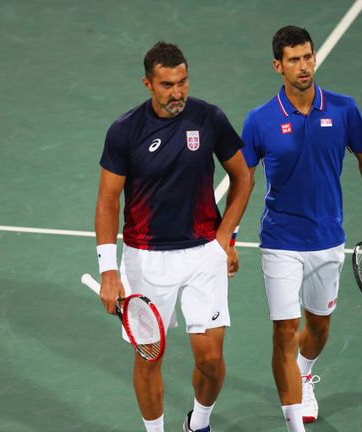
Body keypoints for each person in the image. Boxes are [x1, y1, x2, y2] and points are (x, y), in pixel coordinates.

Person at [240, 26, 362, 431]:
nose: (304, 65)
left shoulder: (344, 110)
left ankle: (303, 370)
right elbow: (243, 180)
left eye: (308, 56)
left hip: (327, 239)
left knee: (319, 327)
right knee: (284, 330)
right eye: (294, 59)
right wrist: (229, 235)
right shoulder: (260, 121)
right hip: (280, 241)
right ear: (278, 66)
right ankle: (293, 419)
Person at [94, 41, 252, 432]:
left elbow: (243, 175)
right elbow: (108, 200)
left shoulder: (209, 118)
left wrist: (226, 237)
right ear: (148, 83)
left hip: (203, 252)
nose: (177, 93)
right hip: (145, 258)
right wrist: (108, 270)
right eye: (167, 85)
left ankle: (198, 423)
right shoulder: (124, 131)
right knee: (149, 358)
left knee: (211, 359)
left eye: (182, 82)